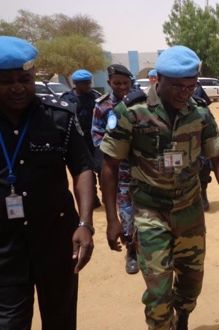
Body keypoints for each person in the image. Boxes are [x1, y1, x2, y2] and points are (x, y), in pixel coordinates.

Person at [99, 45, 219, 330]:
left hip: (189, 209)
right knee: (158, 292)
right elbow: (110, 166)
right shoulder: (132, 111)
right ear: (158, 79)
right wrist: (113, 219)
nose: (185, 93)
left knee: (190, 282)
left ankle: (183, 319)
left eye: (191, 86)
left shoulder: (200, 113)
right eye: (178, 86)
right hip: (150, 212)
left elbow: (218, 158)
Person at [0, 36, 94, 329]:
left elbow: (82, 168)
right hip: (4, 243)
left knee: (60, 319)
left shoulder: (59, 117)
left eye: (24, 78)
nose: (17, 86)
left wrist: (85, 223)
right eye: (6, 80)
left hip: (55, 237)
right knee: (10, 322)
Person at [91, 64, 138, 275]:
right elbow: (96, 134)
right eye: (117, 83)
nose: (122, 86)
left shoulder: (140, 103)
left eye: (125, 83)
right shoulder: (102, 106)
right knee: (126, 211)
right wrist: (114, 150)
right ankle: (132, 250)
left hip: (141, 167)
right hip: (118, 169)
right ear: (109, 83)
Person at [62, 69, 102, 209]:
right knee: (85, 171)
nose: (88, 86)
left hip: (95, 140)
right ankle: (92, 199)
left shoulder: (97, 97)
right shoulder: (66, 99)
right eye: (84, 83)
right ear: (76, 84)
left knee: (101, 168)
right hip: (78, 141)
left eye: (89, 82)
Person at [192, 82, 213, 211]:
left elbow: (206, 104)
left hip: (198, 134)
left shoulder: (198, 88)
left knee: (204, 166)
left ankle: (203, 194)